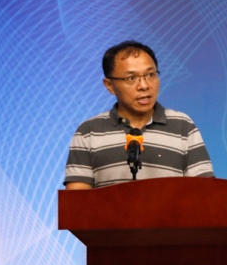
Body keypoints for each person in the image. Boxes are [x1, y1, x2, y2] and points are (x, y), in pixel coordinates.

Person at [64, 40, 214, 189]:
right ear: (110, 85)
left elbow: (205, 192)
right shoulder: (88, 132)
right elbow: (77, 199)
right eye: (131, 78)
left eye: (150, 75)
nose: (144, 85)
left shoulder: (183, 125)